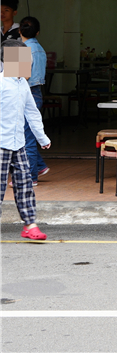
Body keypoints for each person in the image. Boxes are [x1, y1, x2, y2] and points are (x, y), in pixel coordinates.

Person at [1, 40, 50, 241]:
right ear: (8, 62)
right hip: (1, 143)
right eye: (24, 63)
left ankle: (30, 224)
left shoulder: (23, 85)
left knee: (25, 185)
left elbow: (32, 112)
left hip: (18, 144)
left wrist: (42, 137)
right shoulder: (2, 83)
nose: (28, 66)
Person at [18, 17, 49, 183]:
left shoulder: (19, 49)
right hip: (36, 93)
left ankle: (30, 177)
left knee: (25, 138)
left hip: (23, 94)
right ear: (37, 32)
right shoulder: (40, 49)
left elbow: (18, 77)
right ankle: (38, 166)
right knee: (28, 133)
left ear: (19, 30)